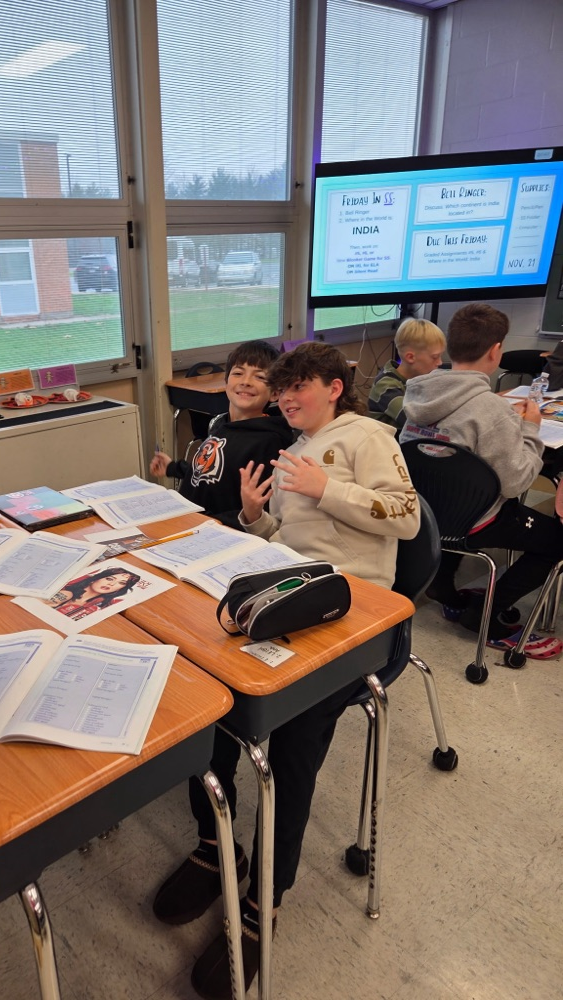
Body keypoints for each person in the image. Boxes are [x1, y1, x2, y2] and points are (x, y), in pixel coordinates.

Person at [152, 343, 420, 999]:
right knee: (206, 699)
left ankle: (267, 894)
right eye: (283, 392)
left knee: (295, 742)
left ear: (334, 387)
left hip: (352, 616)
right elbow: (292, 543)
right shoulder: (295, 447)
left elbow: (407, 517)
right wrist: (254, 517)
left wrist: (328, 486)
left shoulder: (367, 435)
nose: (287, 400)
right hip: (291, 593)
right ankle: (218, 845)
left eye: (298, 390)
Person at [401, 302, 563, 657]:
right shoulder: (491, 411)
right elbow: (517, 483)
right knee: (558, 541)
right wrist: (531, 429)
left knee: (454, 492)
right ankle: (485, 616)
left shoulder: (415, 396)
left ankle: (443, 586)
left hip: (425, 516)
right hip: (475, 523)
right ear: (495, 351)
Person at [151, 340, 294, 529]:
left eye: (259, 377)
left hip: (214, 531)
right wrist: (172, 468)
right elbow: (214, 473)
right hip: (187, 519)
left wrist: (214, 523)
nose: (246, 382)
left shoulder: (268, 441)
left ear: (275, 393)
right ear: (226, 382)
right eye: (237, 373)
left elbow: (259, 508)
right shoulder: (221, 424)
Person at [368, 317, 446, 428]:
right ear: (410, 357)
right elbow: (414, 422)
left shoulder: (420, 377)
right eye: (435, 357)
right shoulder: (385, 386)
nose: (440, 362)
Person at [52, 567, 141, 620]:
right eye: (109, 579)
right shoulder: (66, 593)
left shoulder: (99, 607)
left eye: (121, 583)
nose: (112, 584)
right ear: (96, 578)